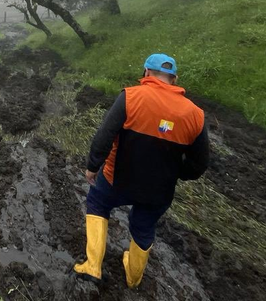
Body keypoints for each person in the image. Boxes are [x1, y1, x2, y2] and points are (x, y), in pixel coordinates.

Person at [73, 53, 210, 288]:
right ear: (174, 79)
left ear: (146, 73)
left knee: (97, 203)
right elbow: (200, 164)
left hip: (117, 180)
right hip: (159, 191)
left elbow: (104, 136)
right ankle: (134, 278)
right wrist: (178, 173)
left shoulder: (130, 97)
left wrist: (92, 166)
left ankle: (92, 266)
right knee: (144, 225)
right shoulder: (196, 115)